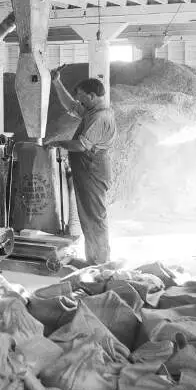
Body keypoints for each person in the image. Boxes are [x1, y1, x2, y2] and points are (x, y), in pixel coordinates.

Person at [47, 72, 117, 264]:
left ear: (92, 96)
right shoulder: (92, 111)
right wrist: (56, 81)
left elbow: (81, 145)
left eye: (82, 97)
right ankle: (93, 260)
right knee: (89, 217)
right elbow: (70, 106)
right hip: (88, 169)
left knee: (95, 218)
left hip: (93, 170)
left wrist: (57, 142)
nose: (79, 101)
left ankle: (101, 262)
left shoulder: (100, 117)